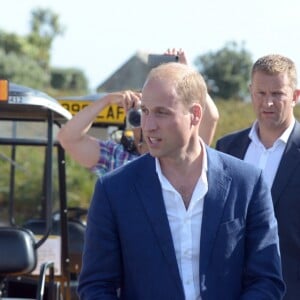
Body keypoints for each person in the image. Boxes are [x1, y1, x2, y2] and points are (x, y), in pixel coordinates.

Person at [77, 62, 285, 299]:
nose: (149, 126)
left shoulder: (247, 183)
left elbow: (266, 280)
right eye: (144, 111)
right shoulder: (113, 190)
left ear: (195, 115)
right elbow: (96, 286)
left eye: (162, 113)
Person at [216, 54, 300, 300]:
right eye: (261, 93)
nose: (268, 103)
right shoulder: (227, 148)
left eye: (277, 94)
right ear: (250, 91)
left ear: (295, 96)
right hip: (233, 291)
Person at [57, 49, 219, 176]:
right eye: (143, 110)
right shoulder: (115, 156)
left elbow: (210, 118)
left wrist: (187, 75)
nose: (147, 122)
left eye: (159, 112)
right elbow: (68, 138)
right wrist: (106, 100)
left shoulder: (179, 153)